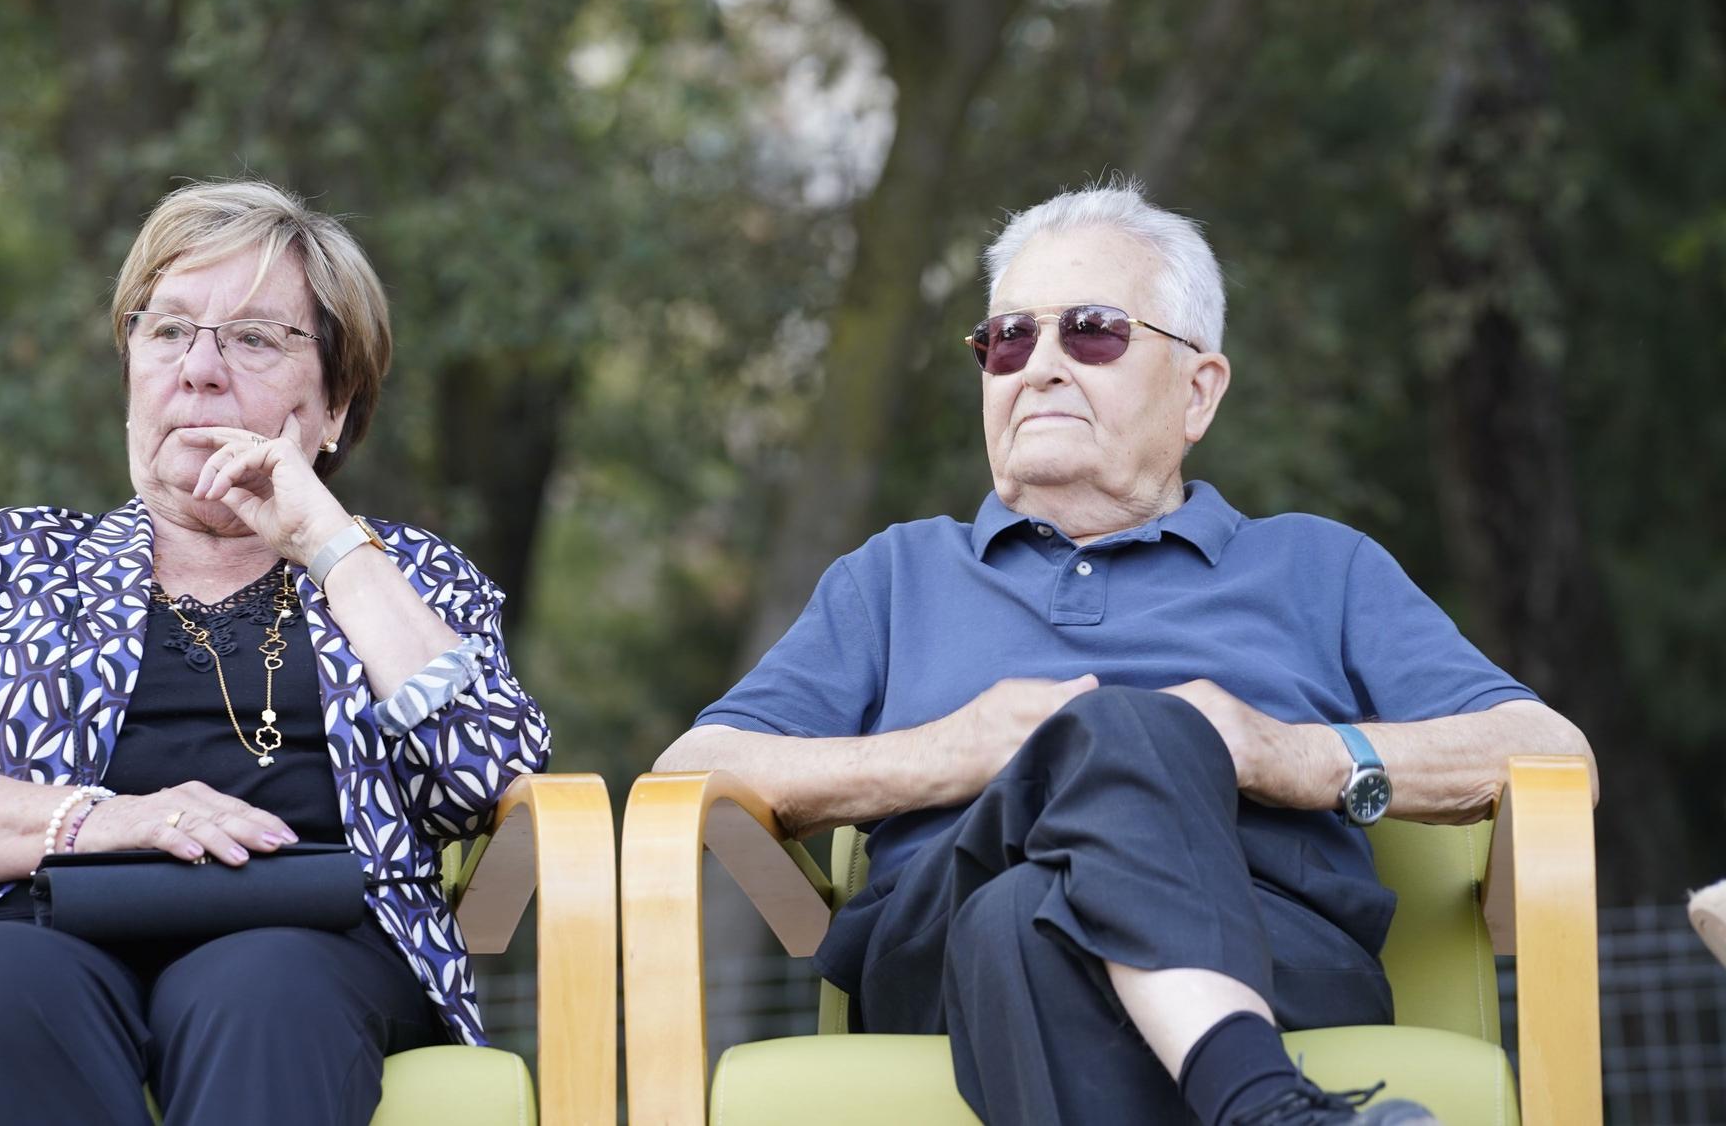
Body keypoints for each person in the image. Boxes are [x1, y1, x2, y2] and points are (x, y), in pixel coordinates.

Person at [656, 183, 1596, 1126]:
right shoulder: (894, 575)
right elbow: (692, 771)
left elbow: (1551, 755)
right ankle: (1265, 1103)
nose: (1039, 368)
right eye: (1009, 341)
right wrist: (954, 749)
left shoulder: (1321, 565)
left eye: (1093, 331)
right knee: (1091, 757)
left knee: (1026, 914)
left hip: (1264, 945)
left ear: (1199, 390)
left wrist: (1290, 754)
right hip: (933, 953)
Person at [0, 180, 551, 1126]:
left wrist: (325, 543)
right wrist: (107, 819)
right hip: (27, 926)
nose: (198, 370)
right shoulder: (3, 560)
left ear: (334, 407)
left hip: (309, 942)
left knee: (266, 992)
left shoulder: (404, 575)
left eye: (253, 338)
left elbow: (494, 781)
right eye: (167, 332)